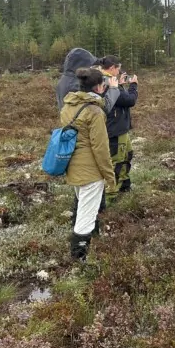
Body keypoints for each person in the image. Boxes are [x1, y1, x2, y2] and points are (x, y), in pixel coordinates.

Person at [60, 68, 116, 261]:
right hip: (90, 173)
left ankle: (90, 246)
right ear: (99, 87)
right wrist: (110, 176)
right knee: (85, 217)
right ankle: (79, 259)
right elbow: (101, 149)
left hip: (73, 168)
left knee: (83, 208)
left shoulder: (68, 106)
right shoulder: (95, 111)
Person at [98, 56, 138, 197]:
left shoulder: (108, 80)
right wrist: (133, 85)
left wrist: (120, 85)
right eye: (118, 68)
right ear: (112, 68)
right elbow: (128, 100)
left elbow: (118, 99)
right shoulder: (107, 81)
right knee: (117, 160)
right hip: (114, 128)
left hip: (120, 127)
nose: (119, 71)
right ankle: (111, 194)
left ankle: (124, 184)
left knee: (127, 155)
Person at [56, 48, 119, 113]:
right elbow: (100, 109)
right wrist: (113, 89)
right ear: (82, 66)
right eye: (89, 66)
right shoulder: (77, 85)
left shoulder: (64, 80)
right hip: (83, 122)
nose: (90, 69)